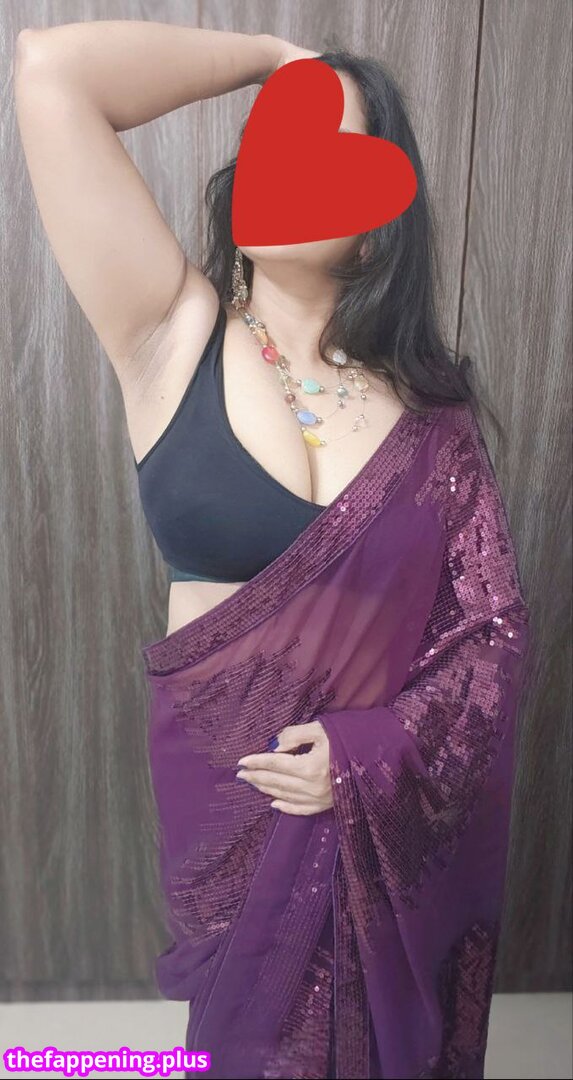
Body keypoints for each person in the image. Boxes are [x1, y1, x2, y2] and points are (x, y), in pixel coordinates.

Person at [15, 20, 530, 1079]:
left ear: (378, 224)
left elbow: (492, 637)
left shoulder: (432, 420)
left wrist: (371, 750)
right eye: (278, 140)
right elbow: (51, 71)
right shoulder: (171, 332)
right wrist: (270, 59)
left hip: (370, 836)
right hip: (230, 826)